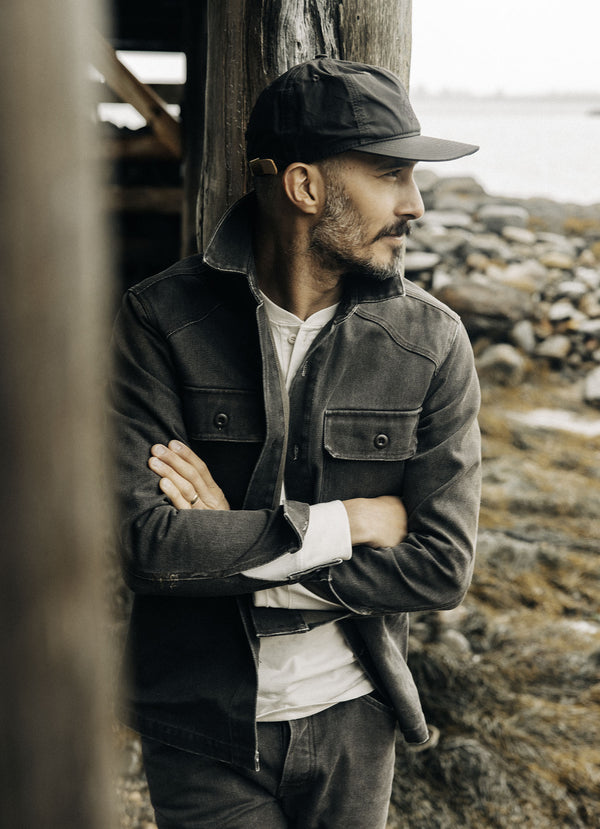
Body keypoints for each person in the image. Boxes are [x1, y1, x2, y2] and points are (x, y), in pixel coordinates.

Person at [110, 56, 481, 829]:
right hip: (200, 722)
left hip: (356, 720)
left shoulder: (432, 343)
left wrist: (230, 551)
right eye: (390, 174)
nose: (415, 204)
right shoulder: (160, 320)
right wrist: (348, 523)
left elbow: (442, 565)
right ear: (305, 187)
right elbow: (149, 546)